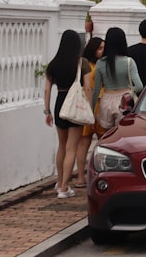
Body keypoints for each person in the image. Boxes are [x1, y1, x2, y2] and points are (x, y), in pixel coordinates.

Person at [43, 29, 90, 198]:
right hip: (75, 105)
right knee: (72, 147)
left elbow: (47, 90)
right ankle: (64, 188)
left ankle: (59, 181)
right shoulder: (81, 63)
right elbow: (88, 87)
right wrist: (89, 106)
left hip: (59, 104)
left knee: (62, 145)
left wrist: (47, 111)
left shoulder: (53, 64)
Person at [93, 27, 144, 135]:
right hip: (124, 101)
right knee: (123, 135)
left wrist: (92, 109)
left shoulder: (100, 63)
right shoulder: (129, 62)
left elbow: (96, 90)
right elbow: (139, 86)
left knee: (108, 136)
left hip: (106, 101)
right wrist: (129, 90)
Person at [73, 36, 104, 187]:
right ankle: (81, 176)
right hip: (91, 105)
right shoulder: (90, 65)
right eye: (100, 48)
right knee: (85, 143)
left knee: (96, 142)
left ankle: (87, 176)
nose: (102, 51)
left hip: (96, 105)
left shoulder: (96, 64)